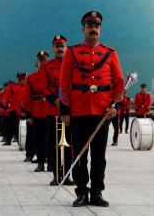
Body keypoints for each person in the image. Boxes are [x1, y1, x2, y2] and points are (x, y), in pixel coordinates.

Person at [59, 11, 124, 207]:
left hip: (102, 112)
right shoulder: (72, 52)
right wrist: (65, 110)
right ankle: (81, 192)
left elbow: (120, 82)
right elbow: (63, 83)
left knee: (99, 156)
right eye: (89, 25)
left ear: (100, 29)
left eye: (96, 26)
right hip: (78, 112)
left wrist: (116, 105)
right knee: (79, 154)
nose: (93, 29)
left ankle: (96, 192)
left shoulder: (110, 53)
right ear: (83, 29)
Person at [39, 35, 73, 186]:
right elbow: (43, 87)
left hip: (71, 111)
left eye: (62, 45)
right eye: (57, 46)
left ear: (66, 47)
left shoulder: (73, 64)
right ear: (53, 49)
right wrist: (55, 100)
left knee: (68, 144)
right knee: (55, 144)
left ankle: (67, 175)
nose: (60, 48)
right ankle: (57, 175)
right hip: (53, 110)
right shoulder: (46, 66)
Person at [23, 50, 50, 170]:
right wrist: (29, 114)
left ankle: (51, 163)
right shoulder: (31, 78)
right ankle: (40, 163)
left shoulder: (54, 75)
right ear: (37, 64)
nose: (42, 62)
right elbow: (27, 96)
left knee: (52, 139)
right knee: (39, 139)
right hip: (37, 112)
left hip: (51, 110)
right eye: (40, 60)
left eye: (45, 60)